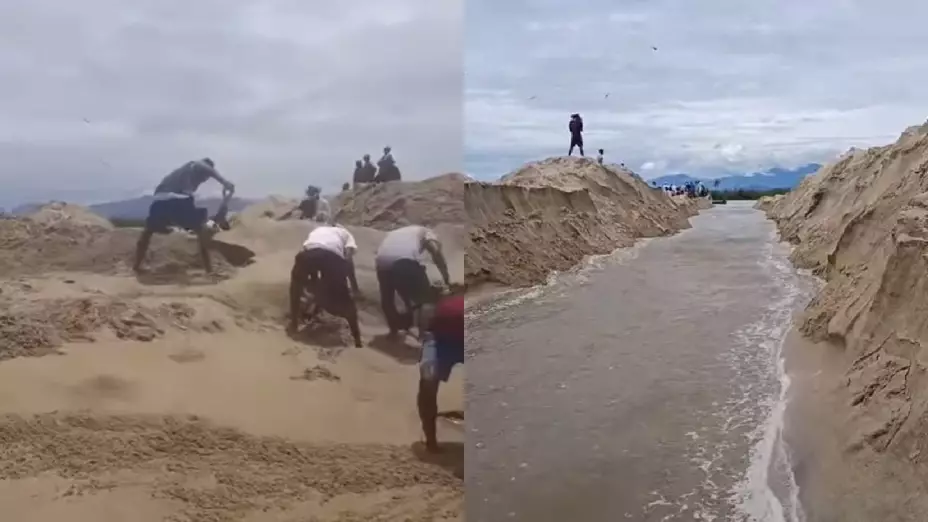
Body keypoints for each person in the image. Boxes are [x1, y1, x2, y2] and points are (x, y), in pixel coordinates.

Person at [134, 157, 234, 274]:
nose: (204, 180)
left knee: (148, 230)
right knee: (201, 228)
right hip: (177, 202)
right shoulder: (194, 166)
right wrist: (224, 181)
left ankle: (137, 265)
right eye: (205, 176)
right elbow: (202, 165)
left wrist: (226, 199)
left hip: (158, 202)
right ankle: (209, 270)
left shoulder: (181, 177)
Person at [288, 224, 363, 347]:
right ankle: (357, 340)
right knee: (347, 303)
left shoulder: (317, 230)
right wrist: (354, 287)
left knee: (296, 287)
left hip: (307, 255)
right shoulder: (346, 233)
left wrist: (314, 283)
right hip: (332, 258)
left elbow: (312, 251)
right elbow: (348, 259)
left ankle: (294, 324)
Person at [375, 225, 451, 337]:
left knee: (387, 299)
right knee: (425, 299)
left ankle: (393, 331)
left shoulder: (396, 232)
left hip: (381, 261)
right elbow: (436, 252)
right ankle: (423, 334)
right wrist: (445, 277)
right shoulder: (427, 232)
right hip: (404, 260)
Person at [418, 292, 464, 453]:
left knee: (427, 386)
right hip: (439, 338)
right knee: (427, 385)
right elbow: (426, 315)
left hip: (455, 338)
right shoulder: (443, 303)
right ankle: (431, 443)